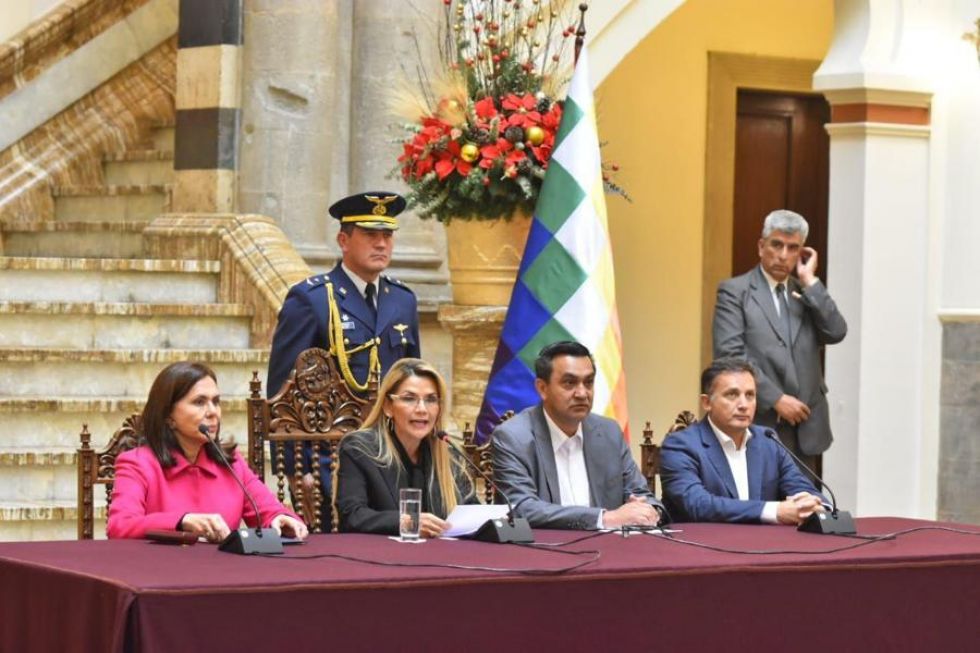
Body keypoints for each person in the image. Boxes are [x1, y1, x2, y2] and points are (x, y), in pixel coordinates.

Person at [266, 191, 422, 529]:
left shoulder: (402, 300)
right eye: (370, 234)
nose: (381, 244)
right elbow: (283, 397)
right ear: (343, 240)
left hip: (392, 454)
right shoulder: (312, 299)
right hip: (329, 457)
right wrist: (297, 470)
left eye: (387, 235)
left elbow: (415, 382)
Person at [107, 362, 307, 541]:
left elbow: (269, 511)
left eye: (216, 401)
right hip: (160, 568)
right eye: (199, 402)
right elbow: (119, 526)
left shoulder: (232, 463)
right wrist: (182, 521)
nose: (213, 412)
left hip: (223, 569)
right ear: (168, 416)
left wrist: (280, 519)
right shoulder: (137, 463)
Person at [712, 209, 847, 474]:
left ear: (801, 252)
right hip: (759, 422)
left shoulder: (806, 293)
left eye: (792, 248)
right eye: (776, 245)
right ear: (761, 246)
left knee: (805, 499)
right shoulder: (735, 292)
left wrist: (811, 282)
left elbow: (836, 332)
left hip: (806, 428)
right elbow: (730, 355)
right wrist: (776, 399)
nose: (783, 255)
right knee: (761, 499)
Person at [491, 341, 667, 530]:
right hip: (545, 546)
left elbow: (643, 495)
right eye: (569, 383)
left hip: (611, 546)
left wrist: (648, 510)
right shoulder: (513, 437)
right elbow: (521, 508)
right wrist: (604, 518)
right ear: (542, 388)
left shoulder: (609, 433)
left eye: (588, 382)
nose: (582, 393)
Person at [660, 358, 826, 524]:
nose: (744, 405)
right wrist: (775, 511)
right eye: (732, 395)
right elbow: (698, 504)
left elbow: (803, 489)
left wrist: (813, 505)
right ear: (707, 402)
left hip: (765, 540)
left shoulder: (768, 440)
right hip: (701, 539)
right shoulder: (680, 445)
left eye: (750, 395)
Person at [335, 358, 478, 537]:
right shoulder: (359, 449)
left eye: (431, 399)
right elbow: (352, 516)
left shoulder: (449, 456)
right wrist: (406, 522)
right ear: (388, 406)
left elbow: (473, 514)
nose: (422, 409)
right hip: (381, 552)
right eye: (409, 399)